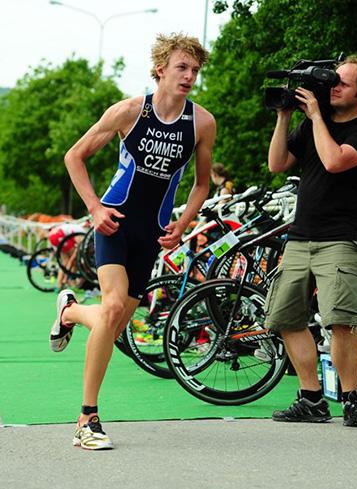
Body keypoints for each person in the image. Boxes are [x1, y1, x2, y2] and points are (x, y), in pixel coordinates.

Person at [49, 33, 216, 450]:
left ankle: (69, 312)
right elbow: (75, 156)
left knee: (115, 319)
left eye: (195, 70)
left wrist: (183, 224)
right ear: (160, 68)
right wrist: (94, 208)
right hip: (115, 224)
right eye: (182, 67)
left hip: (153, 234)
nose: (189, 76)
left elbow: (200, 185)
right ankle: (87, 419)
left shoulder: (201, 123)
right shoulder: (128, 112)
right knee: (112, 307)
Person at [265, 55, 357, 428]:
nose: (333, 87)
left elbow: (334, 161)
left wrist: (316, 117)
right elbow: (277, 163)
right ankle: (311, 398)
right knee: (285, 317)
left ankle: (351, 401)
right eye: (332, 81)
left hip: (340, 237)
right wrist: (285, 116)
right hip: (301, 235)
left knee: (341, 321)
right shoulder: (316, 123)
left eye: (342, 84)